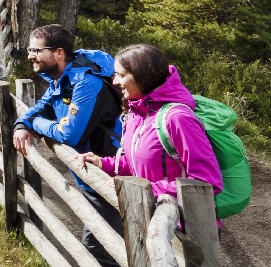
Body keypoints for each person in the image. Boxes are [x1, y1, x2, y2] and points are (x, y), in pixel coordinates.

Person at [12, 23, 128, 267]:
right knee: (115, 243)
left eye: (36, 50)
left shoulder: (85, 83)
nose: (30, 55)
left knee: (100, 247)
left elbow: (68, 135)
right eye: (30, 49)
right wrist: (23, 124)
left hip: (111, 175)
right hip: (94, 176)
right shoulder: (62, 79)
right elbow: (40, 108)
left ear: (59, 53)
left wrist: (37, 127)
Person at [80, 43, 222, 202]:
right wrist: (102, 163)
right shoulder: (137, 113)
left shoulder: (178, 118)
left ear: (141, 76)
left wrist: (144, 189)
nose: (115, 82)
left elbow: (206, 182)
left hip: (181, 223)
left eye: (121, 75)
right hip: (147, 217)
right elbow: (137, 162)